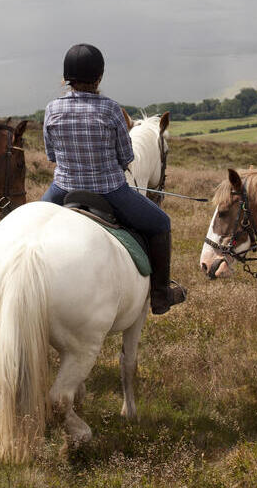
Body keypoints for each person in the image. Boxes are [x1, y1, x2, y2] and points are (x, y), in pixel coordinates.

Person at [41, 43, 187, 315]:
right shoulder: (111, 110)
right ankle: (159, 295)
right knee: (161, 223)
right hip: (109, 191)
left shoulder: (52, 109)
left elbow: (51, 155)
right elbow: (125, 157)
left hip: (62, 190)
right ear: (99, 78)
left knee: (31, 222)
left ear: (66, 78)